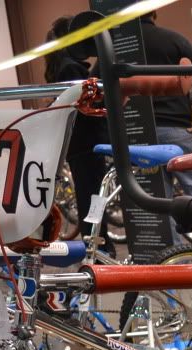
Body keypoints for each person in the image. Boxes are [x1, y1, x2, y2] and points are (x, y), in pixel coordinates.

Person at [139, 11, 192, 243]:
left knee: (156, 202)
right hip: (176, 130)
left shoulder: (119, 47)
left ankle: (176, 266)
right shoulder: (174, 39)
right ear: (154, 12)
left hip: (138, 134)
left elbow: (94, 87)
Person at [44, 16, 113, 255]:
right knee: (93, 196)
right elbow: (87, 102)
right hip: (87, 142)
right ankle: (98, 244)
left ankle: (97, 242)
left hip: (79, 143)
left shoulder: (62, 66)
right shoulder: (71, 68)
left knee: (90, 195)